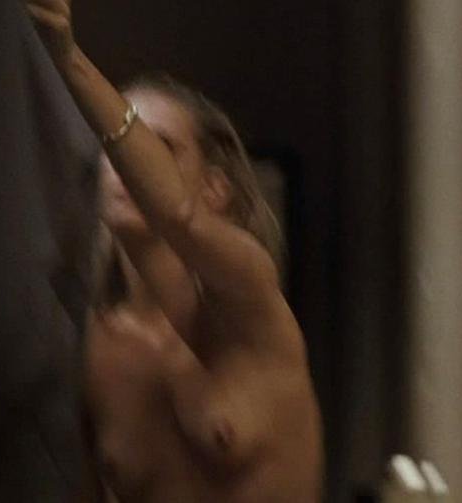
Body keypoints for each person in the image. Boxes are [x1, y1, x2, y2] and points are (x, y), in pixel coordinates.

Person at [26, 0, 324, 501]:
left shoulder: (246, 301)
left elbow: (177, 214)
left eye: (158, 147)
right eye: (110, 148)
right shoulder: (93, 348)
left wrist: (67, 55)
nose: (122, 164)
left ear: (214, 189)